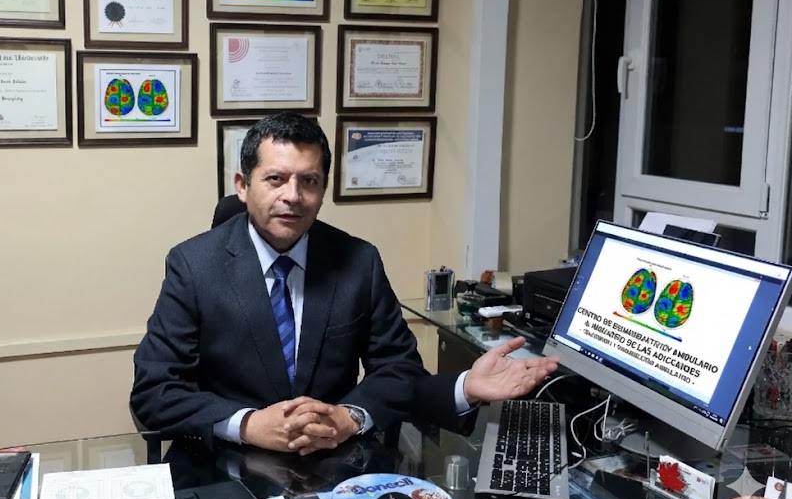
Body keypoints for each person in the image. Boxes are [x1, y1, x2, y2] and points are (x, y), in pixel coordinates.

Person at [131, 112, 558, 456]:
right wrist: (248, 424)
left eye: (309, 181)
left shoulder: (358, 262)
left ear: (322, 189)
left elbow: (398, 370)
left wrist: (350, 416)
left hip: (334, 463)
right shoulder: (194, 266)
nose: (293, 196)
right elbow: (155, 390)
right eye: (276, 179)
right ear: (243, 186)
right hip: (228, 462)